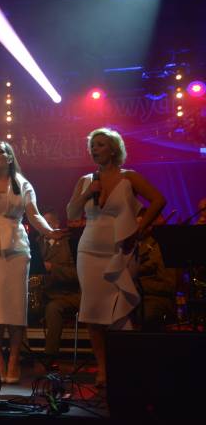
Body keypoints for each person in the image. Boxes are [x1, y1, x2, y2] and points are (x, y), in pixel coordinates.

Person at [66, 127, 166, 386]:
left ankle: (124, 366)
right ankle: (103, 368)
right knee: (93, 310)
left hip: (121, 250)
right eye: (92, 145)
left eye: (100, 144)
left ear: (113, 149)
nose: (94, 149)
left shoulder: (129, 177)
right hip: (89, 251)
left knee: (121, 308)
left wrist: (140, 229)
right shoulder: (85, 180)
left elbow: (158, 200)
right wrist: (87, 193)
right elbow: (72, 213)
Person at [0, 140, 63, 384]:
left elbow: (34, 214)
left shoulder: (22, 183)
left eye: (1, 152)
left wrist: (50, 232)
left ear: (10, 157)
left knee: (16, 306)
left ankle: (14, 359)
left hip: (16, 247)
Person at [38, 210, 80, 362]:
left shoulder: (69, 243)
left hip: (68, 295)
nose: (44, 228)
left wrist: (53, 269)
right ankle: (22, 354)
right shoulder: (36, 244)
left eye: (48, 224)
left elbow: (78, 274)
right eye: (42, 224)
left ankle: (50, 356)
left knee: (53, 308)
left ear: (57, 224)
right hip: (43, 294)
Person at [136, 211, 176, 330]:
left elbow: (169, 285)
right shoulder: (127, 245)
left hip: (153, 298)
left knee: (145, 314)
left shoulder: (161, 247)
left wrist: (138, 285)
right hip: (132, 297)